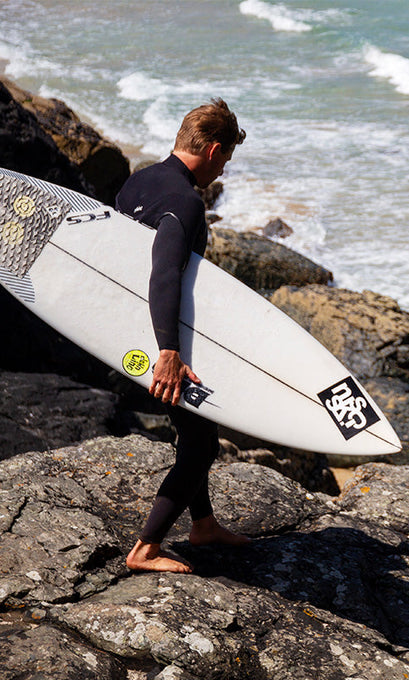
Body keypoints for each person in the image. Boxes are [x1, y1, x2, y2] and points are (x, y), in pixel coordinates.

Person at [116, 98, 250, 573]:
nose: (223, 170)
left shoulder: (140, 180)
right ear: (214, 150)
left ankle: (204, 524)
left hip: (130, 329)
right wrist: (169, 350)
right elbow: (165, 271)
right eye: (227, 160)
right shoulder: (187, 201)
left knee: (196, 429)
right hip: (163, 337)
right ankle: (146, 547)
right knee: (202, 445)